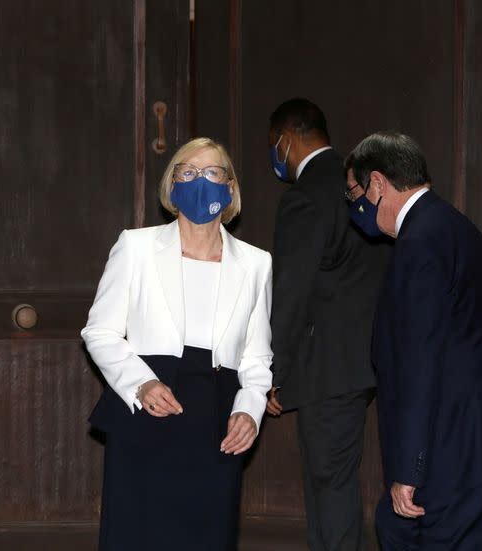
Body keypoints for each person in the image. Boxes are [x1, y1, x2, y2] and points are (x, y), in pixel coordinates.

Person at [345, 131, 482, 550]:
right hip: (476, 440)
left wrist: (409, 470)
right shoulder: (454, 227)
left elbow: (418, 362)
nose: (353, 207)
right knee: (397, 528)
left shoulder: (420, 243)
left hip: (451, 446)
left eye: (354, 192)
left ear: (378, 183)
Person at [81, 137, 273, 551]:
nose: (198, 180)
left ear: (231, 188)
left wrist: (251, 412)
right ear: (171, 184)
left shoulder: (257, 263)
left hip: (217, 417)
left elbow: (257, 356)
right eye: (187, 171)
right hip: (149, 408)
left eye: (212, 172)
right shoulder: (136, 247)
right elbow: (100, 331)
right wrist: (141, 383)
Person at [266, 98, 389, 550]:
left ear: (287, 140)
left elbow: (292, 290)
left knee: (330, 486)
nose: (274, 157)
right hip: (365, 358)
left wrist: (274, 371)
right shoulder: (357, 183)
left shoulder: (305, 195)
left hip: (326, 366)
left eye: (273, 146)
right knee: (334, 481)